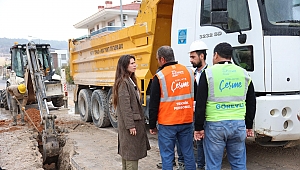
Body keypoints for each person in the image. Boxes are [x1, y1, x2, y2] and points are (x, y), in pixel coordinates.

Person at [194, 42, 256, 170]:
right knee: (239, 164)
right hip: (238, 124)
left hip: (215, 125)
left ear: (216, 55)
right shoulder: (243, 73)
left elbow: (200, 103)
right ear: (230, 56)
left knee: (213, 165)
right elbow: (251, 102)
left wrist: (198, 127)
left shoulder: (208, 74)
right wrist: (249, 125)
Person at [149, 46, 196, 170]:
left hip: (168, 122)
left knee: (167, 156)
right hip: (186, 119)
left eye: (158, 59)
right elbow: (195, 95)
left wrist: (152, 125)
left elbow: (153, 104)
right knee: (188, 153)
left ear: (162, 59)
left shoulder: (160, 77)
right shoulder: (189, 72)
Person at [113, 55, 151, 170]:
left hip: (131, 125)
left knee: (128, 154)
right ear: (125, 66)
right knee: (131, 155)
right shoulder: (124, 82)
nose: (135, 65)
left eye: (135, 62)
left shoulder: (129, 80)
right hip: (130, 126)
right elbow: (125, 107)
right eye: (132, 63)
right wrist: (131, 126)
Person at [189, 40, 208, 170]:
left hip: (206, 112)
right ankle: (200, 165)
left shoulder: (210, 73)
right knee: (197, 141)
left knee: (205, 142)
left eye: (193, 57)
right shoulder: (192, 73)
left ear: (202, 56)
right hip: (194, 113)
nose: (191, 60)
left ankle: (204, 165)